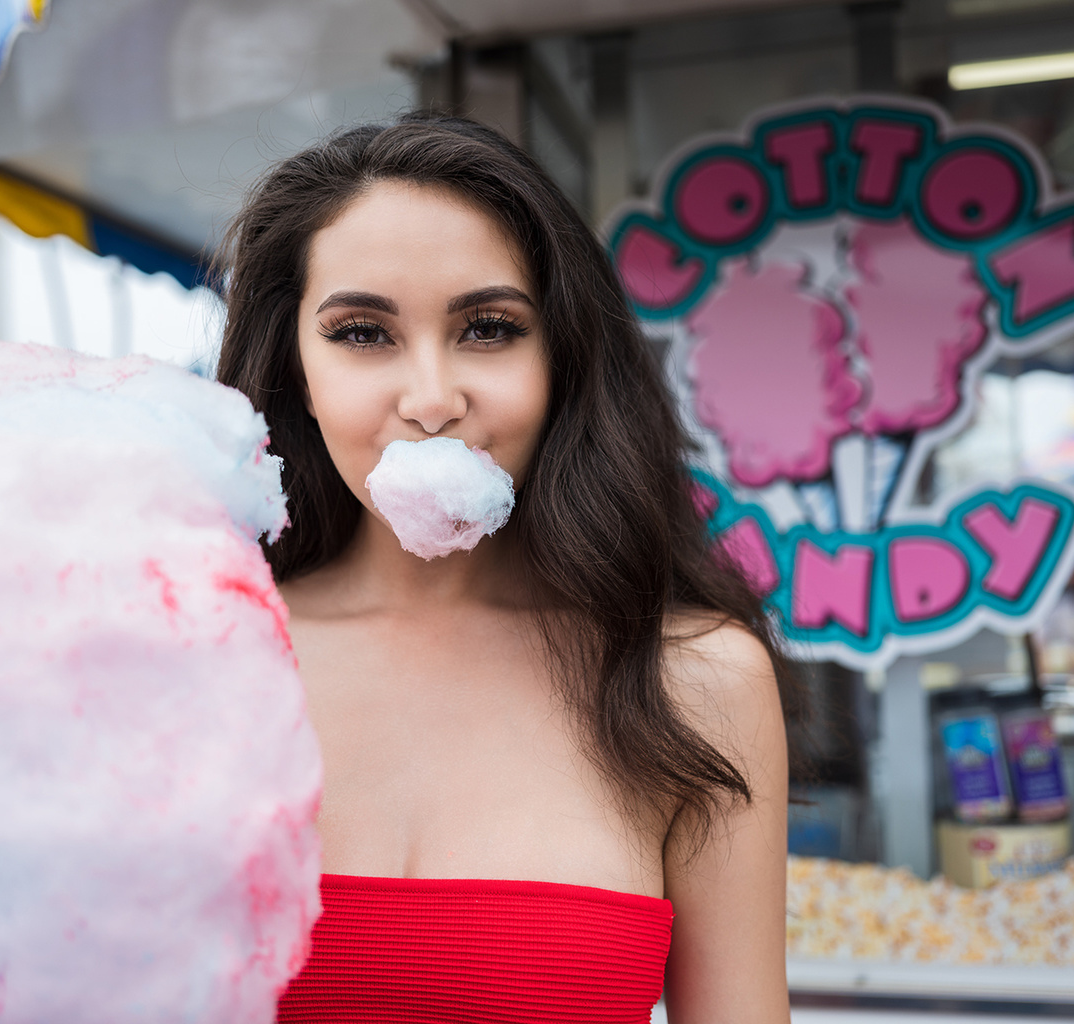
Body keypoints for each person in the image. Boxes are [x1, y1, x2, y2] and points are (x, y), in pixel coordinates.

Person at [215, 111, 801, 1024]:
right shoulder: (205, 660)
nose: (432, 399)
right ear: (294, 366)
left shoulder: (694, 678)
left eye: (488, 328)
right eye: (363, 333)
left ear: (564, 358)